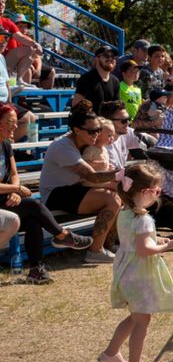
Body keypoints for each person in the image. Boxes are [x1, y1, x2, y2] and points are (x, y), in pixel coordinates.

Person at [99, 162, 173, 362]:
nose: (158, 196)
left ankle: (111, 353)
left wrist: (158, 238)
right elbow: (145, 249)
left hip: (126, 270)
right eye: (157, 192)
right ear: (145, 192)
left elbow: (135, 240)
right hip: (139, 274)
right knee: (142, 320)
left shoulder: (125, 212)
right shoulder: (142, 218)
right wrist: (166, 246)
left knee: (135, 316)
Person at [0, 104, 93, 283]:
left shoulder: (5, 145)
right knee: (34, 205)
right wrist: (16, 189)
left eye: (16, 121)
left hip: (4, 199)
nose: (15, 126)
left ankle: (36, 270)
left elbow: (14, 175)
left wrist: (14, 190)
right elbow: (14, 184)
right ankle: (62, 235)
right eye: (10, 122)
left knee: (33, 219)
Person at [39, 101, 120, 262]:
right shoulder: (63, 146)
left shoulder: (85, 143)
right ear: (76, 130)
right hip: (56, 194)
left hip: (75, 189)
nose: (96, 134)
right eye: (91, 131)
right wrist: (121, 174)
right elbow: (92, 177)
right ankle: (95, 251)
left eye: (98, 130)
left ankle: (111, 243)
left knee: (120, 195)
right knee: (112, 199)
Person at [0, 0, 44, 87]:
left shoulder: (7, 22)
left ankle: (19, 80)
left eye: (3, 2)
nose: (1, 5)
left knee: (30, 49)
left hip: (4, 61)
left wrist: (35, 44)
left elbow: (21, 37)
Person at [9, 13, 55, 88]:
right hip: (17, 66)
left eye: (25, 27)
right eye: (20, 26)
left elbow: (37, 56)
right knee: (28, 70)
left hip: (31, 64)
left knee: (51, 72)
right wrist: (30, 65)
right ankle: (22, 98)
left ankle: (45, 98)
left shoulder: (28, 39)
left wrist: (38, 68)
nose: (24, 29)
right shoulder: (11, 38)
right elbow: (15, 58)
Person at [73, 46, 121, 113]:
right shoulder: (86, 79)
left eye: (113, 57)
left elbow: (117, 109)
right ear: (97, 59)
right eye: (106, 56)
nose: (110, 59)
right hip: (91, 122)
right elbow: (76, 106)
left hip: (109, 122)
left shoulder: (115, 81)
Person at [99, 101, 145, 170]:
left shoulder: (126, 131)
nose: (128, 123)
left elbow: (149, 142)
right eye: (123, 121)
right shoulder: (103, 146)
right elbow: (114, 176)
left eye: (128, 119)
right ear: (108, 121)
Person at [81, 118, 116, 188]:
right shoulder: (91, 149)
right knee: (116, 186)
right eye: (109, 135)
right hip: (91, 181)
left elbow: (103, 167)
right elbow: (83, 163)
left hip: (101, 180)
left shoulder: (104, 149)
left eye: (113, 135)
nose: (112, 138)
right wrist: (96, 163)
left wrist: (108, 167)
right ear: (98, 135)